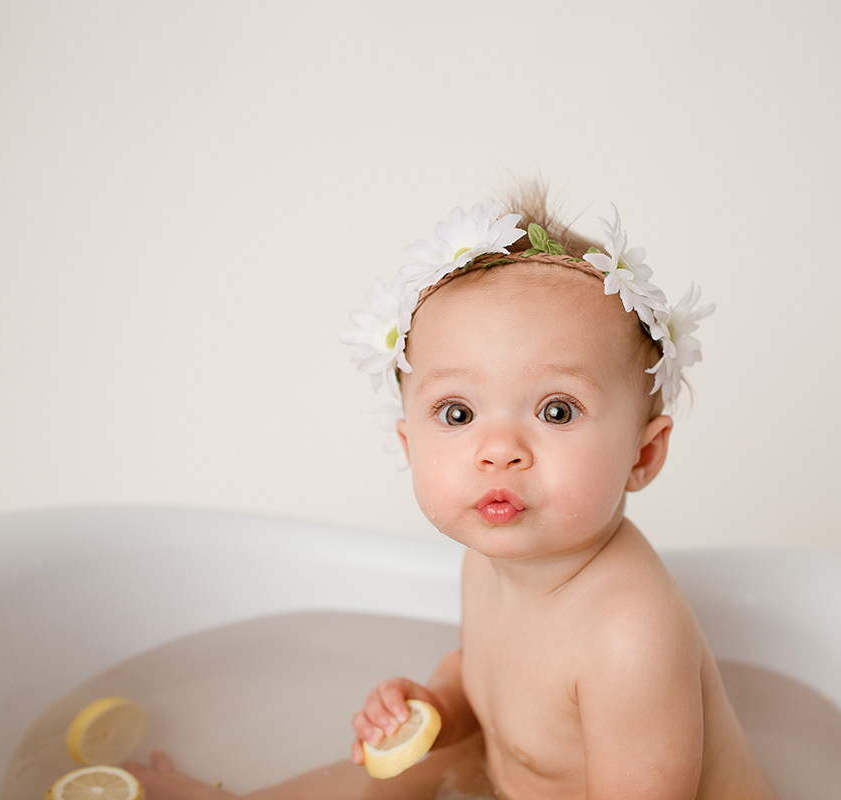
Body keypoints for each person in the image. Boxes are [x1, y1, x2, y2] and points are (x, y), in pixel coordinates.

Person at [125, 187, 776, 799]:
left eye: (556, 411)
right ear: (408, 444)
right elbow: (494, 677)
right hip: (503, 778)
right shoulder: (490, 560)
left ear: (644, 453)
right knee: (388, 776)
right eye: (459, 414)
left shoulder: (629, 635)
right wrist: (439, 703)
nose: (498, 450)